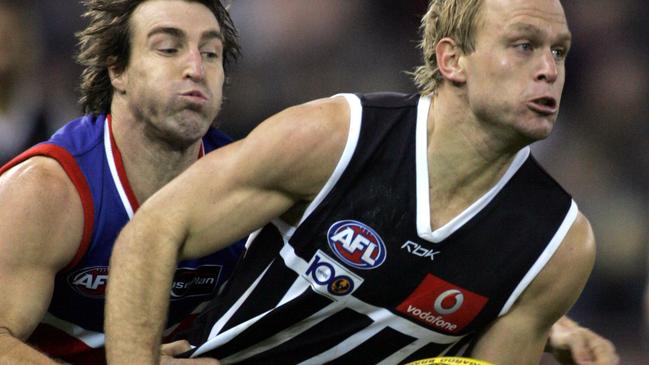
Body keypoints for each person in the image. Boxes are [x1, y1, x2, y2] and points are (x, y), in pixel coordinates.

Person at [104, 0, 620, 364]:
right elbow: (152, 233)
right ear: (452, 59)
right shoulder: (335, 138)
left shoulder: (558, 247)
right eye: (524, 46)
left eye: (559, 52)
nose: (549, 70)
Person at [0, 0, 245, 363]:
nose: (196, 68)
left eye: (211, 53)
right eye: (168, 48)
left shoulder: (248, 184)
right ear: (118, 69)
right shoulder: (46, 191)